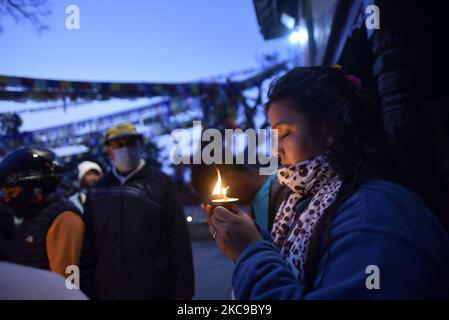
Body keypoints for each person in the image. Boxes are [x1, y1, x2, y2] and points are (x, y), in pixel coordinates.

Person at [203, 66, 449, 299]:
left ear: (329, 128)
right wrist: (253, 237)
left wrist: (250, 252)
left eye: (285, 133)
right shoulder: (306, 199)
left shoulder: (374, 215)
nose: (276, 150)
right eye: (274, 136)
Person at [82, 123, 194, 299]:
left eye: (130, 143)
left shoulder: (160, 184)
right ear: (109, 151)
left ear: (140, 145)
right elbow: (87, 244)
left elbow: (179, 240)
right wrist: (86, 289)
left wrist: (183, 291)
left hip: (155, 290)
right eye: (118, 145)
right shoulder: (97, 191)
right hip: (107, 290)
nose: (125, 149)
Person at [0, 147, 84, 278]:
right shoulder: (32, 215)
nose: (7, 200)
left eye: (12, 193)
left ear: (36, 190)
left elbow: (66, 282)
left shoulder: (64, 217)